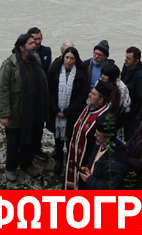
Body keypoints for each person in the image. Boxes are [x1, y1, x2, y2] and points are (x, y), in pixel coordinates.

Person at [0, 34, 49, 182]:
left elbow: (43, 84)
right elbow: (2, 90)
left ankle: (26, 163)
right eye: (31, 43)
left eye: (34, 42)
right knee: (13, 141)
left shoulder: (35, 60)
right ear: (21, 47)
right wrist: (4, 114)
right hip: (16, 111)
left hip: (33, 109)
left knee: (29, 138)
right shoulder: (9, 65)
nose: (34, 45)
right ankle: (11, 168)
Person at [48, 47, 90, 175]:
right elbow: (49, 92)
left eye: (72, 58)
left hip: (72, 114)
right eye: (67, 57)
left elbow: (82, 97)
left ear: (76, 60)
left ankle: (70, 163)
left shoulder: (81, 75)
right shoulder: (55, 71)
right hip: (56, 113)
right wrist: (55, 109)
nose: (69, 61)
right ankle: (59, 161)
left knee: (70, 139)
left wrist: (67, 112)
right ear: (63, 57)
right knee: (58, 139)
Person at [65, 80, 113, 190]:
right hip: (74, 157)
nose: (89, 94)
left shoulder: (105, 118)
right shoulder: (88, 107)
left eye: (93, 94)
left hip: (88, 163)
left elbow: (101, 145)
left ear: (101, 100)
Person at [79, 115, 128, 190]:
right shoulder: (101, 144)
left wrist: (89, 180)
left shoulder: (117, 162)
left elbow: (109, 189)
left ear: (108, 138)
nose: (95, 135)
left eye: (98, 135)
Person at [28, 27, 52, 161]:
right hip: (29, 94)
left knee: (39, 125)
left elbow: (49, 72)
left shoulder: (46, 51)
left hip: (42, 95)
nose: (37, 42)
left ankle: (37, 149)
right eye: (34, 39)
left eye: (39, 38)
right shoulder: (24, 53)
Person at [121, 46, 142, 139]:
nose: (125, 60)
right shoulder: (126, 68)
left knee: (133, 139)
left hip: (134, 115)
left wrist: (140, 115)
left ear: (136, 61)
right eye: (126, 57)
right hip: (125, 111)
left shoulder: (141, 77)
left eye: (129, 59)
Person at [100, 63, 130, 141]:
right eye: (102, 74)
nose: (102, 76)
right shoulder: (100, 82)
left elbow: (121, 107)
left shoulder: (122, 88)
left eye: (105, 75)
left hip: (115, 120)